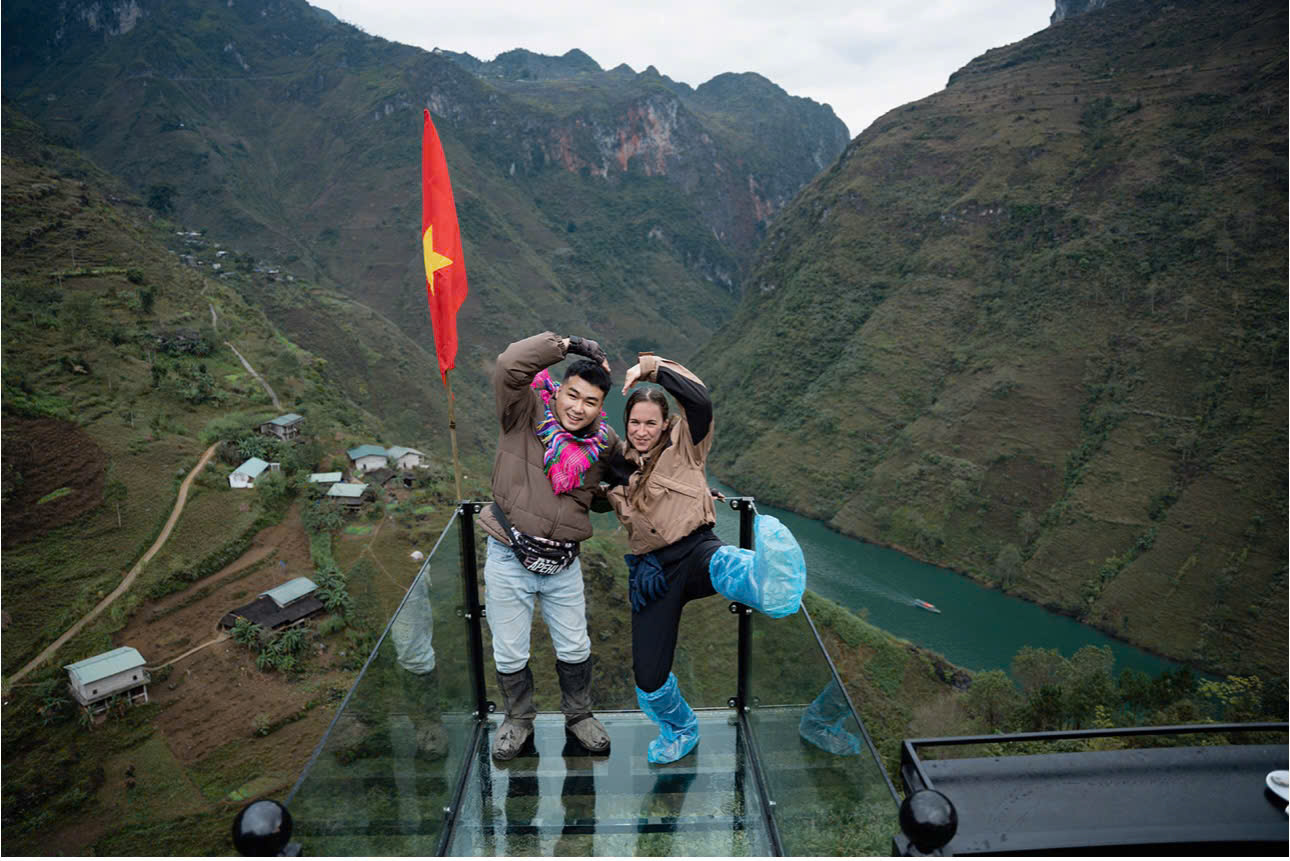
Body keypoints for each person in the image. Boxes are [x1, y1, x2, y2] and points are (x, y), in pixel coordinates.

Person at [604, 352, 806, 764]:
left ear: (665, 423)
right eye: (635, 423)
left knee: (723, 565)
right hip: (653, 572)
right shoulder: (618, 466)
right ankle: (680, 726)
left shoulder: (686, 445)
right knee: (648, 677)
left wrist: (652, 368)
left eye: (650, 422)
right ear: (626, 424)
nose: (642, 431)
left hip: (696, 549)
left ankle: (767, 581)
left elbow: (699, 401)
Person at [477, 331, 619, 761]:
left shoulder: (604, 444)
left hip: (563, 564)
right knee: (510, 647)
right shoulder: (523, 411)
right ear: (560, 391)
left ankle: (579, 716)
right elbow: (509, 365)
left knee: (576, 645)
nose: (578, 408)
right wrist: (569, 344)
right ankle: (518, 720)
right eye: (572, 395)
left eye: (590, 402)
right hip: (508, 554)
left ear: (600, 407)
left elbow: (607, 492)